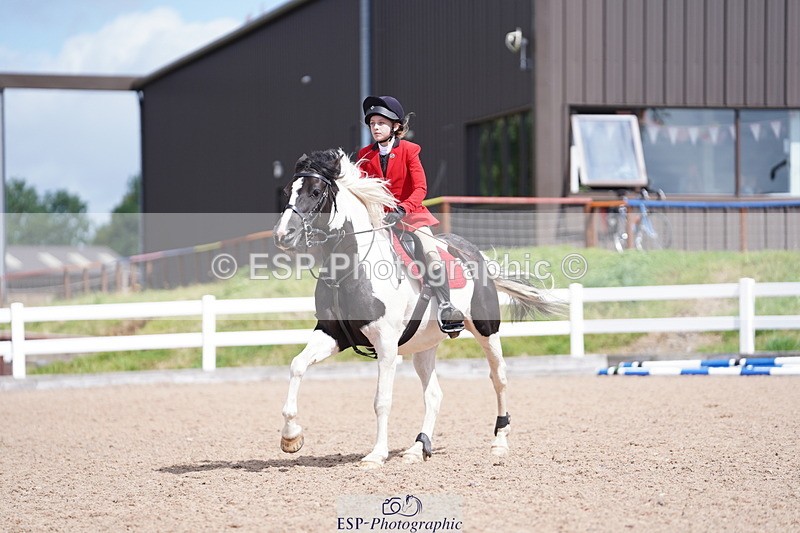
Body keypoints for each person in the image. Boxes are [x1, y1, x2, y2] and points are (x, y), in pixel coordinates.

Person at [357, 95, 464, 336]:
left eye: (381, 123)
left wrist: (403, 209)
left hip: (412, 216)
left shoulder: (409, 150)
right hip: (379, 220)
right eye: (372, 123)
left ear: (395, 126)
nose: (375, 127)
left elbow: (420, 189)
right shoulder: (365, 155)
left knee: (429, 251)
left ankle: (446, 306)